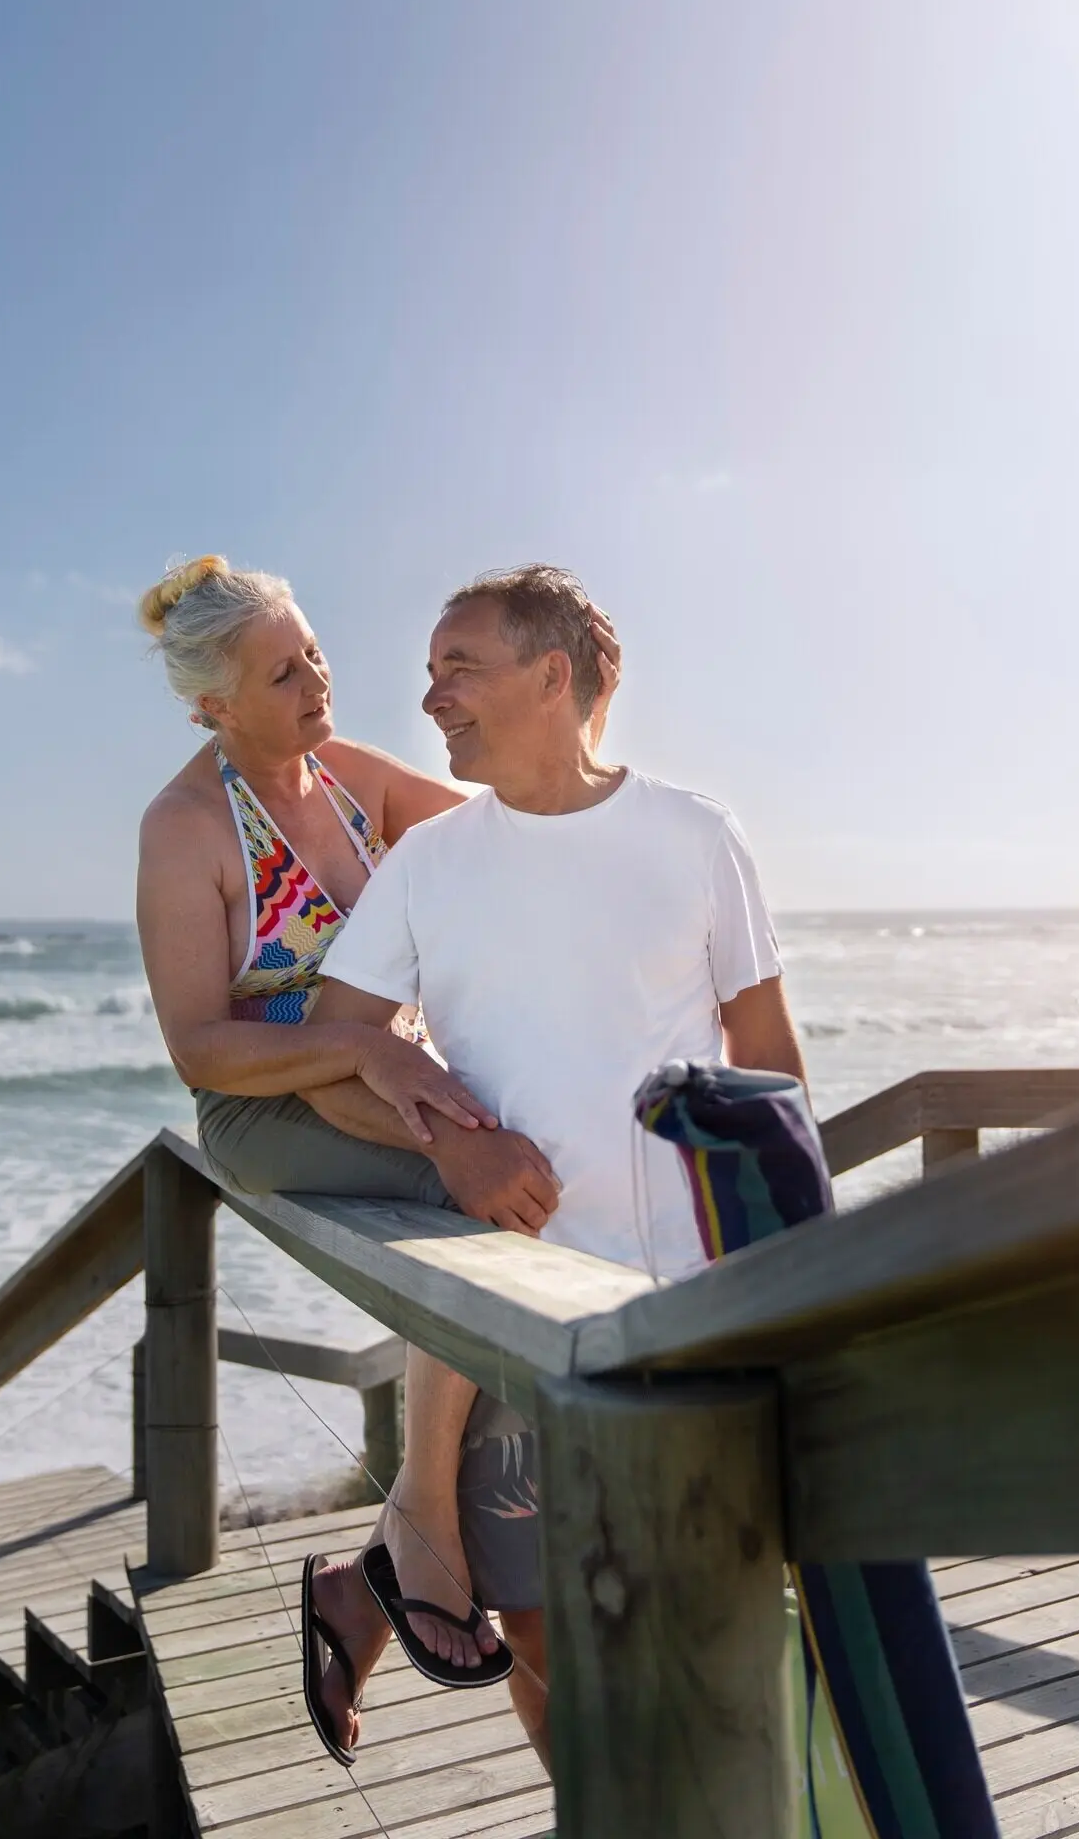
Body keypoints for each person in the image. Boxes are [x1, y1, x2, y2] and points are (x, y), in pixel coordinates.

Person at [304, 563, 806, 1766]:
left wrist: (798, 1283)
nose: (431, 696)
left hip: (684, 1312)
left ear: (553, 676)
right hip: (508, 1320)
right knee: (538, 1623)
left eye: (457, 666)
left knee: (703, 1609)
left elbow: (771, 1065)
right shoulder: (428, 864)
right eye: (429, 672)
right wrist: (455, 1143)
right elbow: (335, 1047)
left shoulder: (693, 835)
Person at [134, 553, 620, 1736]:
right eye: (281, 671)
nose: (316, 681)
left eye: (312, 652)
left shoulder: (349, 777)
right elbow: (200, 1045)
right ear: (213, 703)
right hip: (268, 1104)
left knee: (532, 1189)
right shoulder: (188, 826)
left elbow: (509, 822)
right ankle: (421, 1532)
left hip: (386, 1075)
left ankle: (379, 1572)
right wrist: (371, 1057)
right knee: (500, 1207)